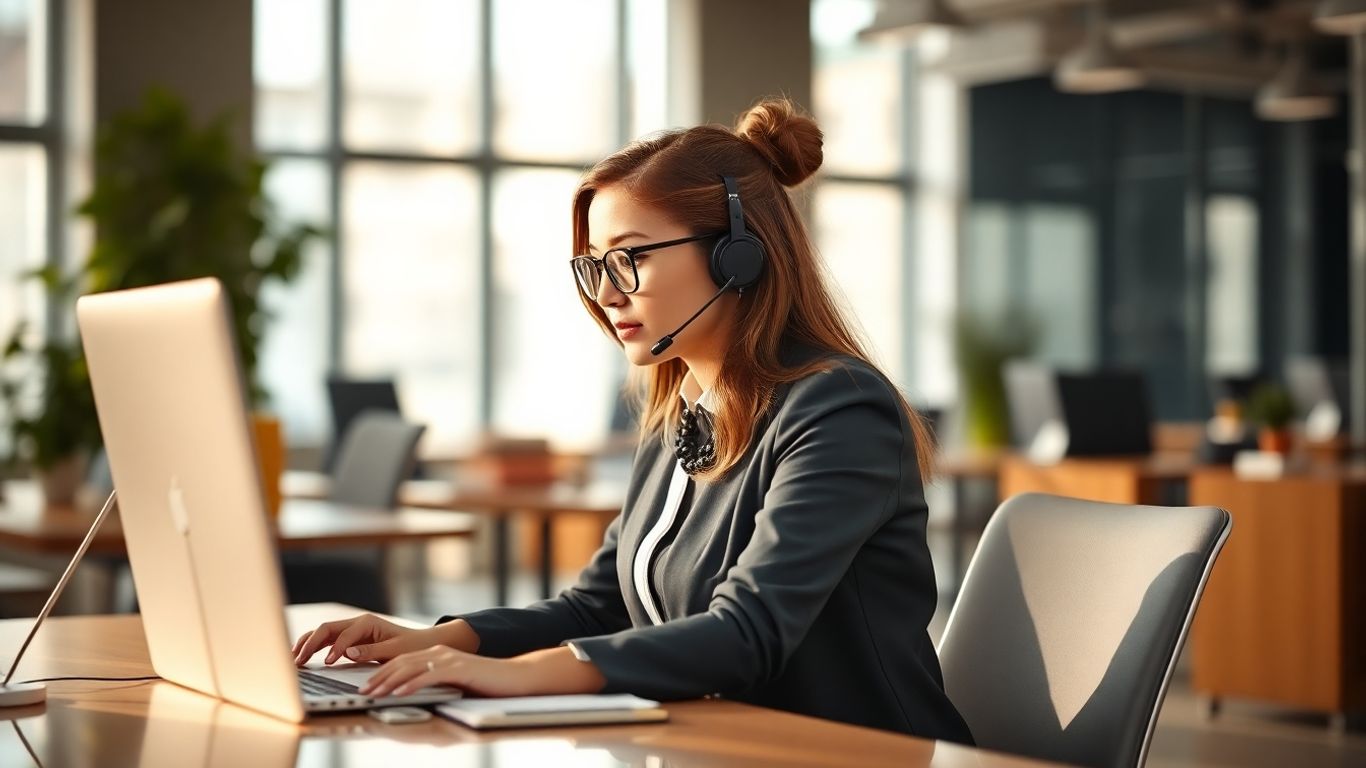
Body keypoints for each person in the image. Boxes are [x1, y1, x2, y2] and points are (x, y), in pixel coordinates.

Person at [292, 99, 973, 745]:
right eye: (595, 265)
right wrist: (438, 640)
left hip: (859, 754)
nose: (608, 292)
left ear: (739, 253)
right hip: (719, 744)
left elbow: (748, 631)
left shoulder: (841, 409)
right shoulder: (680, 412)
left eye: (631, 256)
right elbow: (598, 607)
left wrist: (514, 677)